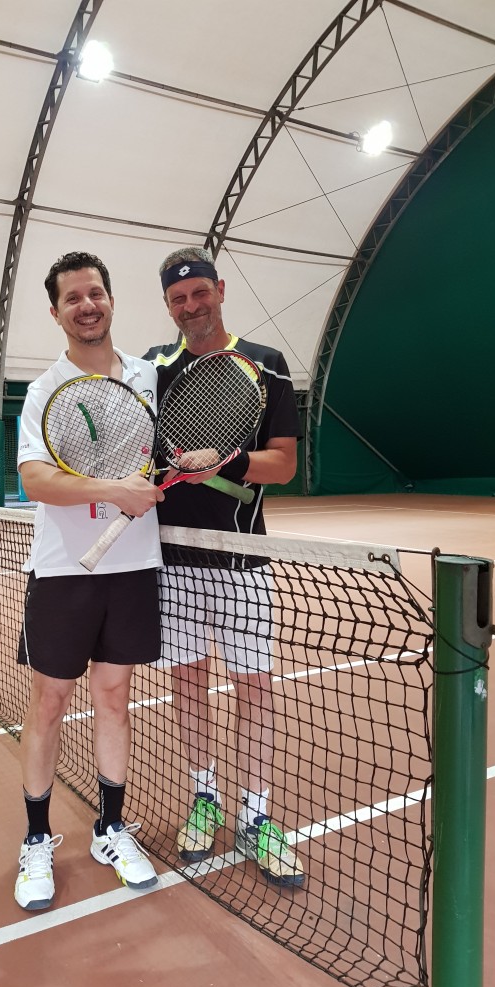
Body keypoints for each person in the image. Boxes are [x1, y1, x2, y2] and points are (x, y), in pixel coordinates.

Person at [144, 246, 305, 888]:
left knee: (254, 686)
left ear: (219, 290)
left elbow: (284, 465)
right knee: (187, 681)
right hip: (173, 560)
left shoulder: (266, 366)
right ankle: (204, 796)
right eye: (178, 298)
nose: (191, 306)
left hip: (242, 560)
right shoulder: (155, 370)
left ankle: (257, 814)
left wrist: (228, 460)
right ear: (168, 305)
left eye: (199, 293)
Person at [15, 251, 164, 911]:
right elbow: (35, 479)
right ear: (56, 312)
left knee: (113, 698)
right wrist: (113, 490)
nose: (87, 305)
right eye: (73, 297)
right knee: (49, 703)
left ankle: (110, 829)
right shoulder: (45, 389)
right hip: (63, 573)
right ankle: (36, 839)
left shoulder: (148, 378)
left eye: (95, 293)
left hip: (132, 570)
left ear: (110, 299)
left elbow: (160, 453)